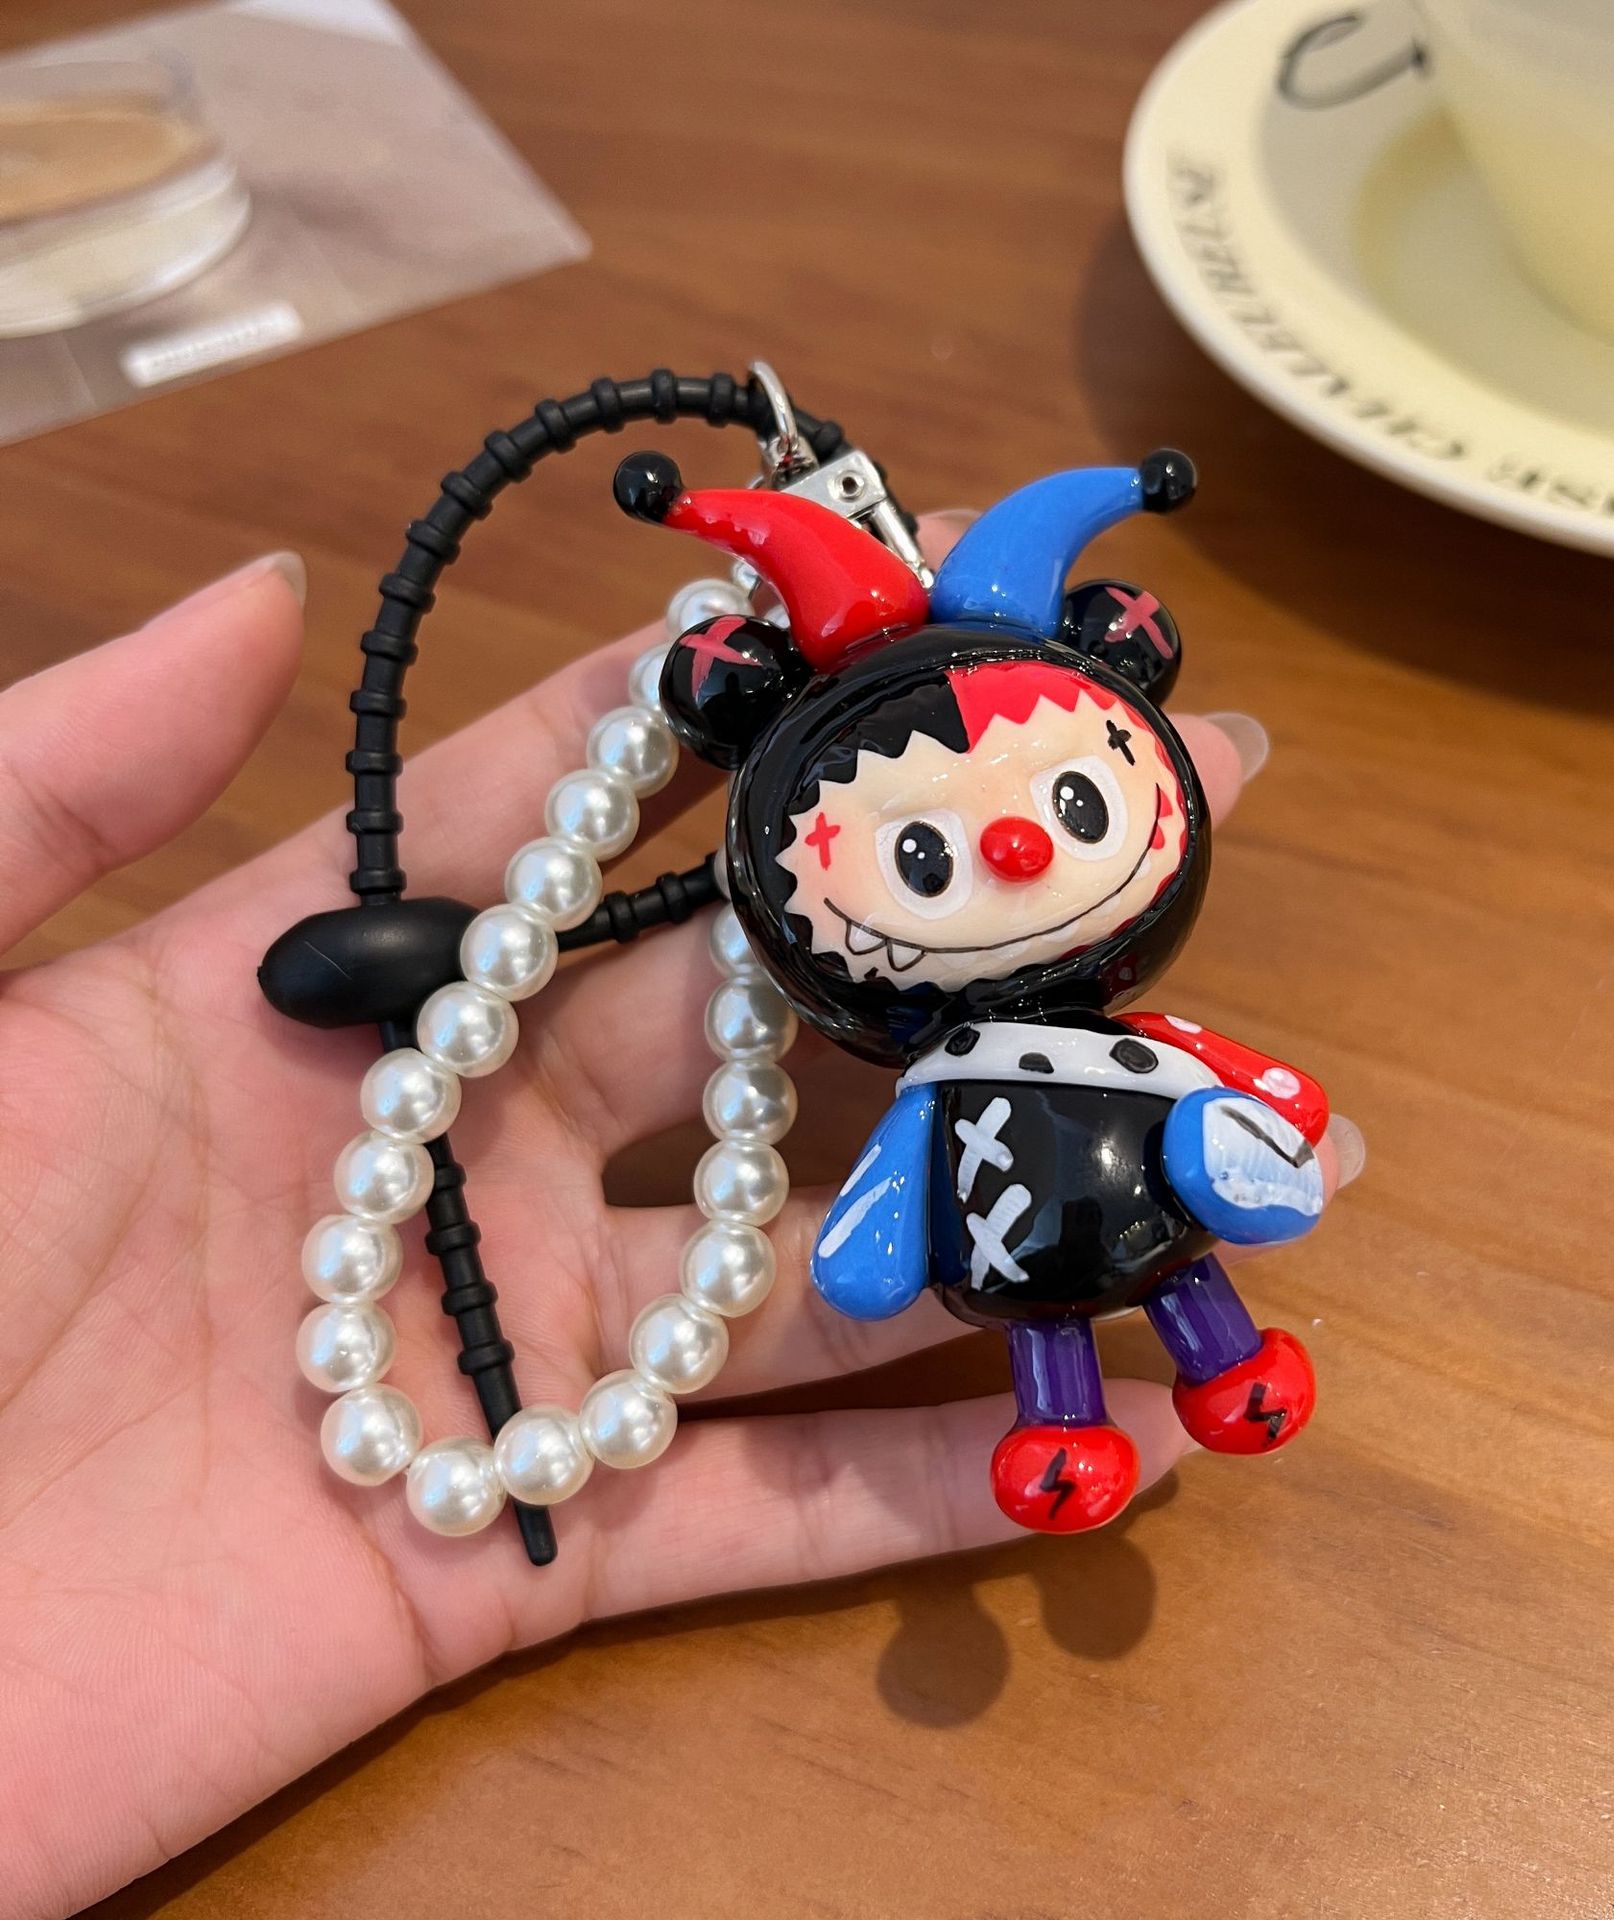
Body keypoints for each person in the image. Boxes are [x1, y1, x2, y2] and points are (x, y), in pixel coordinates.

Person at [0, 519, 1352, 1916]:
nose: (1017, 845)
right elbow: (895, 1193)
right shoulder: (939, 1076)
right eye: (921, 854)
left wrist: (1266, 1115)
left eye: (1072, 803)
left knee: (1180, 1263)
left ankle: (1230, 1364)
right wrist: (874, 1239)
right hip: (1016, 1247)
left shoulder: (1103, 1039)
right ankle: (1064, 1421)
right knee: (1047, 1317)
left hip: (1157, 1200)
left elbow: (1227, 1078)